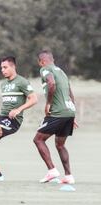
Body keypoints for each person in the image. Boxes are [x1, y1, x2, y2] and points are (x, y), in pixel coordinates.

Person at [33, 50, 77, 184]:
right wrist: (72, 114)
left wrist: (48, 104)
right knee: (60, 144)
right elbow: (70, 92)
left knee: (38, 139)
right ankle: (68, 176)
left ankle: (52, 170)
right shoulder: (62, 72)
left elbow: (51, 83)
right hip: (69, 111)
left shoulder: (45, 69)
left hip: (57, 112)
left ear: (42, 61)